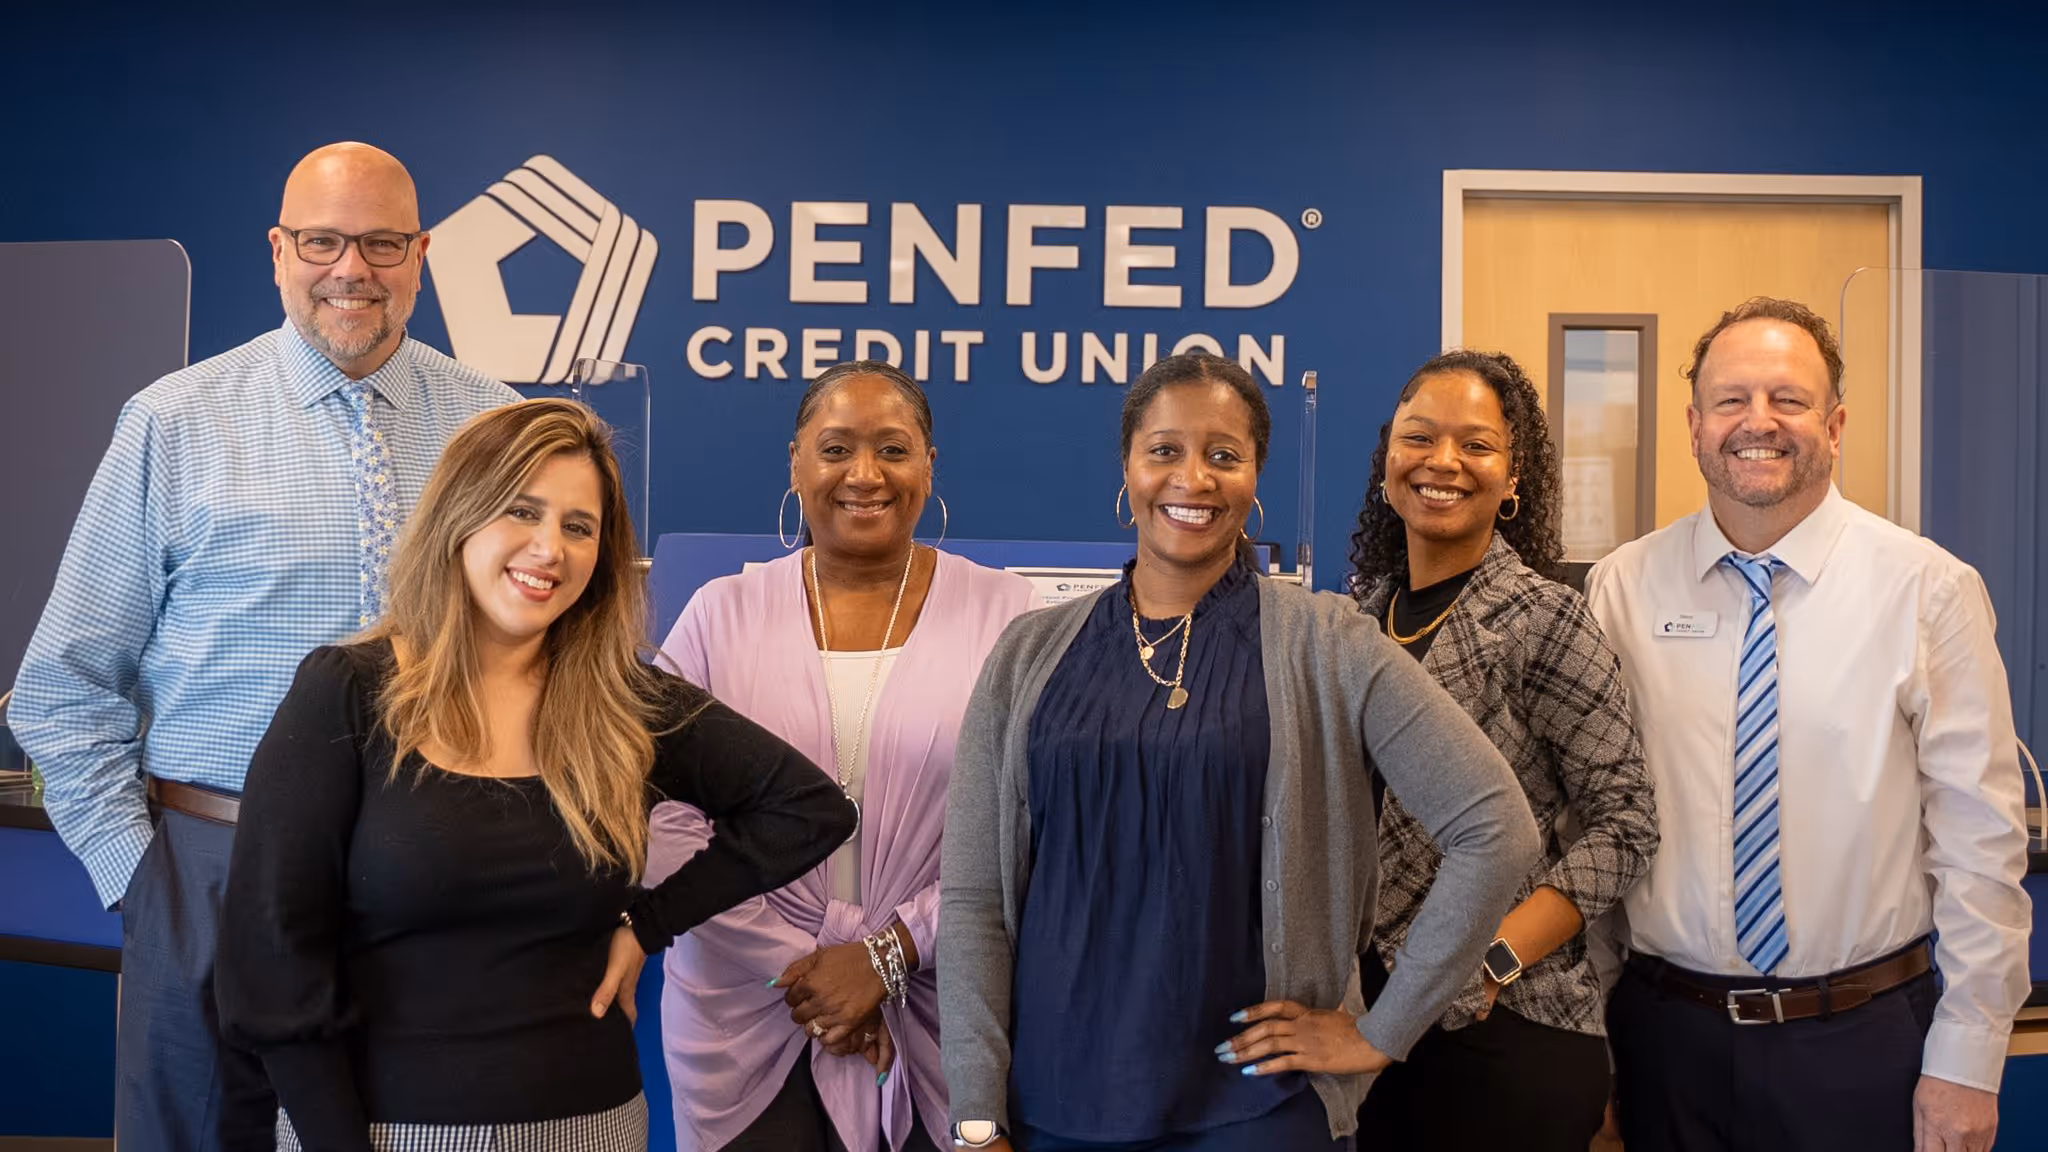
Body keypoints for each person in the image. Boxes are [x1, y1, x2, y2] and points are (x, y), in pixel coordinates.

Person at [8, 142, 519, 1150]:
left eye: (379, 243)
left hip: (436, 866)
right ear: (278, 251)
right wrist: (146, 881)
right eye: (322, 241)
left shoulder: (496, 428)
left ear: (420, 254)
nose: (350, 270)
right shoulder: (175, 422)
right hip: (212, 862)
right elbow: (59, 692)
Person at [214, 398, 856, 1150]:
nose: (549, 548)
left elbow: (807, 808)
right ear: (460, 516)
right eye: (521, 512)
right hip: (384, 1130)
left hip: (593, 1125)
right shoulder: (349, 692)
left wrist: (649, 923)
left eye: (578, 527)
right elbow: (270, 960)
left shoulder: (623, 701)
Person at [939, 351, 1542, 1151]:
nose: (1193, 477)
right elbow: (974, 899)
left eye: (1224, 455)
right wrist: (977, 1117)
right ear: (1128, 467)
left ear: (1256, 477)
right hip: (1056, 1106)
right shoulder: (1029, 653)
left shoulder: (1328, 645)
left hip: (1258, 1113)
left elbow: (1498, 828)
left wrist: (1382, 1030)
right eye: (1165, 451)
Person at [1586, 297, 2032, 1152]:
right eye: (1731, 400)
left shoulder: (1927, 590)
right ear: (1693, 425)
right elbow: (1599, 828)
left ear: (1834, 423)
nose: (1759, 422)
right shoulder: (1621, 589)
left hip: (1862, 1043)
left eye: (1788, 400)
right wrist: (1595, 1052)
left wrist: (1968, 1063)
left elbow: (1981, 844)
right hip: (1662, 1040)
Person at [649, 359, 1037, 1152]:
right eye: (835, 448)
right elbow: (661, 816)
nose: (865, 474)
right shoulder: (717, 617)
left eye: (893, 449)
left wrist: (889, 957)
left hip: (944, 1015)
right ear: (795, 460)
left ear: (929, 465)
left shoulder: (1012, 617)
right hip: (744, 1012)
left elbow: (1030, 821)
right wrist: (813, 973)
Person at [1331, 349, 1658, 1150]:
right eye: (1420, 438)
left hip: (1505, 1027)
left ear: (1513, 480)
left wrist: (1490, 960)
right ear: (1387, 467)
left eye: (1476, 445)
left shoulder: (1546, 619)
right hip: (1368, 1022)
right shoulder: (1354, 623)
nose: (1444, 462)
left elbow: (1628, 823)